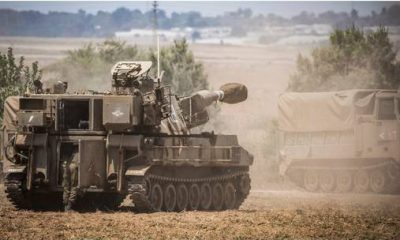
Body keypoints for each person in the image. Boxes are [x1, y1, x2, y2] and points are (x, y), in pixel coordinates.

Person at [62, 145, 79, 212]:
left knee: (66, 186)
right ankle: (69, 206)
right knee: (74, 186)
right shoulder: (80, 150)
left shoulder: (73, 151)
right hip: (74, 167)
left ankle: (65, 206)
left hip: (67, 166)